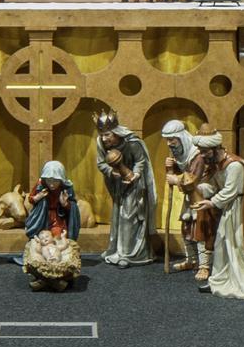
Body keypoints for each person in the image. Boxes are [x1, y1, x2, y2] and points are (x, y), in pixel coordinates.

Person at [191, 131, 244, 300]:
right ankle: (219, 280)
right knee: (222, 245)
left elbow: (230, 191)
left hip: (238, 211)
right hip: (228, 210)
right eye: (200, 151)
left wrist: (211, 203)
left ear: (215, 148)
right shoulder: (216, 165)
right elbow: (213, 187)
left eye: (204, 151)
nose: (202, 155)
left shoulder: (234, 165)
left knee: (238, 245)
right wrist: (195, 188)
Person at [95, 117, 156, 268]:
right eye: (102, 134)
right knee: (117, 216)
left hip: (135, 184)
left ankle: (128, 255)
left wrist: (134, 175)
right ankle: (115, 249)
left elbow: (141, 161)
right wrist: (111, 172)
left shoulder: (132, 142)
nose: (104, 138)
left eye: (107, 134)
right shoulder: (100, 143)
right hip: (118, 184)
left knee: (130, 216)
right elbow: (101, 162)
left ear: (116, 133)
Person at [159, 118, 206, 279]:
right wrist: (170, 167)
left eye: (171, 140)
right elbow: (183, 168)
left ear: (181, 137)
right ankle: (191, 260)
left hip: (201, 197)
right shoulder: (183, 154)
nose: (169, 144)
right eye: (167, 140)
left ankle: (205, 265)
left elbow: (194, 179)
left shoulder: (198, 155)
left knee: (199, 231)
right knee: (186, 229)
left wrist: (176, 179)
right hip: (190, 199)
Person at [23, 160, 81, 289]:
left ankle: (56, 269)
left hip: (58, 218)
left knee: (57, 238)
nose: (52, 184)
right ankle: (43, 271)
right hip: (42, 217)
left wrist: (65, 203)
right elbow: (31, 199)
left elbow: (72, 207)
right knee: (40, 240)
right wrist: (38, 198)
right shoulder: (40, 184)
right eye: (49, 180)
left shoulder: (66, 188)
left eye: (55, 181)